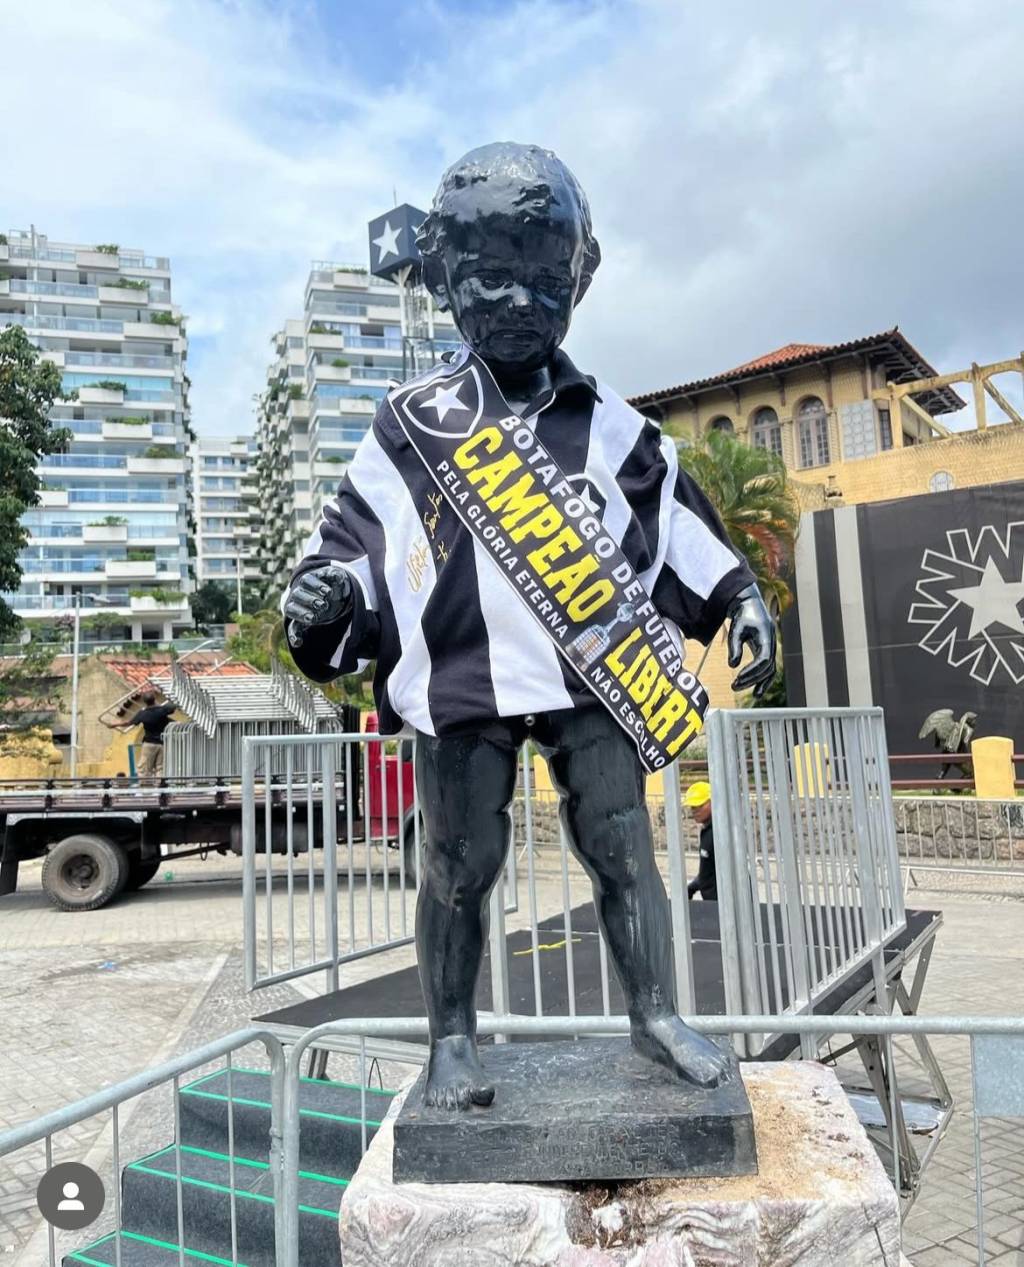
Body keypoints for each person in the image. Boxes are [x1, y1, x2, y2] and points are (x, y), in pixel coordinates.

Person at [282, 143, 776, 1111]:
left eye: (544, 281)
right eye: (489, 278)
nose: (517, 302)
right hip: (461, 679)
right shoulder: (411, 424)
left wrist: (740, 598)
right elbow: (350, 539)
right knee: (458, 869)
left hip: (597, 676)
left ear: (582, 280)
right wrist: (328, 597)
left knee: (624, 853)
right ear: (442, 282)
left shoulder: (621, 432)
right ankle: (453, 1039)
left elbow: (676, 522)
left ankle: (653, 1016)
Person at [116, 690, 176, 779]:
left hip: (149, 743)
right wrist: (158, 704)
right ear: (154, 699)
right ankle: (161, 788)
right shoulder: (163, 710)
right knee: (160, 768)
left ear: (144, 702)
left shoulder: (143, 713)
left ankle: (145, 789)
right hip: (162, 743)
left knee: (144, 769)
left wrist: (115, 725)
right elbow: (172, 706)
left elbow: (129, 723)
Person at [684, 781, 716, 901]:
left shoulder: (718, 834)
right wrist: (693, 887)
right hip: (712, 905)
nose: (695, 811)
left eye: (700, 805)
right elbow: (708, 871)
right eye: (693, 807)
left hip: (722, 906)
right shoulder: (707, 831)